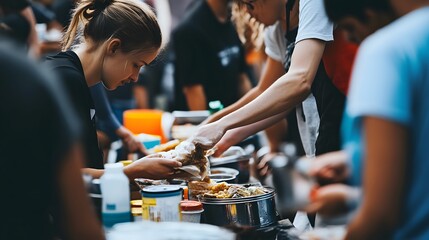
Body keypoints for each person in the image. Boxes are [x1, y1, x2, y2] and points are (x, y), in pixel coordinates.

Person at [307, 0, 429, 239]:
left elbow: (380, 217)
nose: (351, 40)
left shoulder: (386, 52)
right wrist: (356, 162)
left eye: (350, 29)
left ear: (369, 15)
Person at [45, 0, 181, 180]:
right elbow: (59, 176)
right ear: (113, 47)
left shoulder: (80, 78)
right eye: (136, 65)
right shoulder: (66, 80)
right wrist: (133, 171)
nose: (135, 77)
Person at [0, 39, 103, 240]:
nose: (135, 78)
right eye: (137, 65)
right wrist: (128, 173)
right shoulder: (20, 75)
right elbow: (79, 222)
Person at [171, 0, 252, 111]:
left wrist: (251, 116)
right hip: (204, 122)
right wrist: (208, 127)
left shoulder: (233, 19)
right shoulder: (190, 30)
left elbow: (242, 77)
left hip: (232, 120)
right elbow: (194, 92)